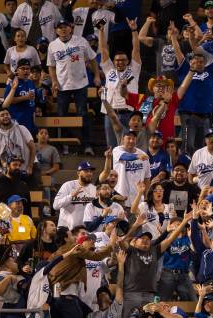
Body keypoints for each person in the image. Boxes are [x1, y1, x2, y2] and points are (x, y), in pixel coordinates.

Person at [173, 27, 213, 154]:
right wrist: (173, 36)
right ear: (191, 62)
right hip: (188, 115)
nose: (198, 64)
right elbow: (177, 51)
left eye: (201, 62)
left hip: (205, 116)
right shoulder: (185, 69)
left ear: (205, 63)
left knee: (202, 148)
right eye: (195, 61)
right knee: (188, 146)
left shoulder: (210, 70)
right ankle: (186, 169)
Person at [48, 19, 101, 154]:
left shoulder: (81, 41)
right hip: (62, 86)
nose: (63, 29)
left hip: (80, 84)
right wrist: (54, 81)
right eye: (60, 27)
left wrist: (96, 76)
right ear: (56, 30)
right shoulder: (52, 45)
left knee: (82, 114)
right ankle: (64, 146)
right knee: (61, 116)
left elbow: (92, 59)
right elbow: (52, 67)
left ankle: (87, 145)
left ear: (70, 28)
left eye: (65, 26)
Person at [98, 17, 141, 148]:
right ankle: (112, 168)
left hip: (128, 113)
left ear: (128, 61)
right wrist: (101, 31)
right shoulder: (109, 70)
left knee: (128, 146)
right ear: (114, 61)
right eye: (117, 60)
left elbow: (136, 49)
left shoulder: (134, 69)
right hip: (110, 113)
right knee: (111, 147)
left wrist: (134, 30)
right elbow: (103, 49)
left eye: (123, 60)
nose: (120, 62)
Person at [0, 109, 37, 184]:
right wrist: (5, 169)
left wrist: (30, 166)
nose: (5, 116)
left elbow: (33, 148)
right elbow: (2, 157)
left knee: (33, 193)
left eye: (7, 114)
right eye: (2, 115)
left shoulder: (21, 128)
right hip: (13, 170)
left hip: (30, 165)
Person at [0, 155, 32, 220]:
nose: (18, 167)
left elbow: (27, 206)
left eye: (19, 165)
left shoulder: (23, 185)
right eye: (15, 165)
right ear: (8, 166)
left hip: (18, 222)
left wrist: (29, 220)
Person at [112, 131, 151, 208]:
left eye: (133, 138)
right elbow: (124, 156)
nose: (131, 141)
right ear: (123, 139)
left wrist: (146, 196)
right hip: (120, 195)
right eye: (128, 138)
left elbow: (147, 178)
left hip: (138, 198)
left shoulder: (143, 155)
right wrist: (137, 156)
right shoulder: (117, 150)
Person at [53, 161, 97, 229]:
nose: (89, 173)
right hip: (67, 230)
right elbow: (56, 205)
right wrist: (71, 196)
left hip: (85, 231)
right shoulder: (68, 185)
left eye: (91, 171)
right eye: (86, 171)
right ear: (78, 173)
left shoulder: (94, 189)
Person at [3, 60, 38, 136]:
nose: (26, 71)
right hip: (17, 120)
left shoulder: (30, 82)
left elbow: (33, 100)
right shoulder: (13, 83)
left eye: (28, 68)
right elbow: (7, 102)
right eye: (23, 68)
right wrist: (25, 97)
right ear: (17, 70)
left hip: (29, 120)